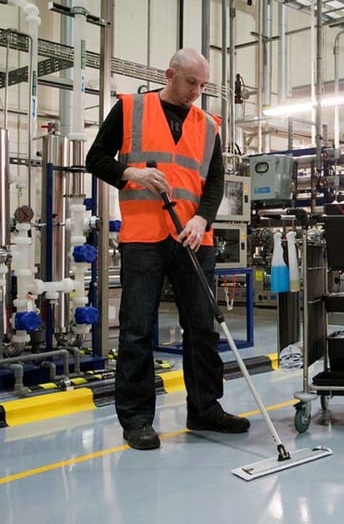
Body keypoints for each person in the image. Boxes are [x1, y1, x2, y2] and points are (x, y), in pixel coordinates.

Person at [86, 48, 250, 450]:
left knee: (202, 329)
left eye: (204, 85)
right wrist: (132, 174)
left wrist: (201, 220)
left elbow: (214, 184)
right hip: (144, 236)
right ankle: (138, 418)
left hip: (194, 238)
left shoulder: (209, 124)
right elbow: (96, 159)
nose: (197, 91)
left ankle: (205, 409)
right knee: (138, 329)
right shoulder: (131, 109)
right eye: (191, 82)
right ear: (170, 74)